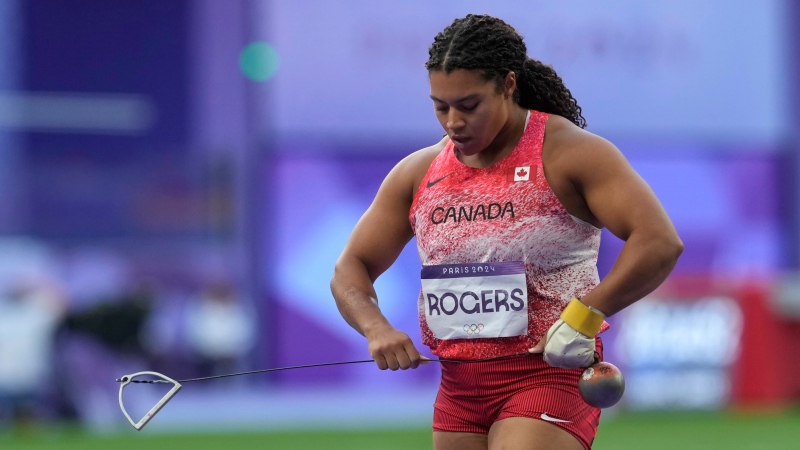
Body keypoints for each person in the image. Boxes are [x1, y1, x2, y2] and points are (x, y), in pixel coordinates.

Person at [330, 14, 683, 450]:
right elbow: (351, 266)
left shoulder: (570, 153)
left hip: (550, 374)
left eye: (469, 105)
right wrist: (375, 327)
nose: (453, 121)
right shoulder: (418, 172)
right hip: (459, 388)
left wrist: (586, 315)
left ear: (508, 85)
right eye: (440, 106)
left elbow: (659, 242)